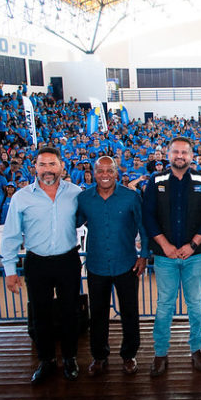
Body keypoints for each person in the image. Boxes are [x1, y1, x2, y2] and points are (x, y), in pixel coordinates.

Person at [1, 146, 83, 384]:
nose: (48, 170)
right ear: (35, 168)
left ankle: (70, 358)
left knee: (70, 312)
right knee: (40, 314)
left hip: (68, 260)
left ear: (62, 167)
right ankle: (46, 360)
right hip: (36, 262)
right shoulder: (21, 197)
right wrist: (9, 271)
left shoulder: (76, 193)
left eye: (52, 164)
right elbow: (11, 236)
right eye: (43, 165)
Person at [142, 137, 201, 376]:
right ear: (168, 153)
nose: (180, 156)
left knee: (195, 304)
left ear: (192, 156)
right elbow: (148, 216)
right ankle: (160, 353)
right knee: (164, 305)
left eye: (185, 152)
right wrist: (164, 245)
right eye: (176, 152)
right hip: (165, 256)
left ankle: (197, 349)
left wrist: (193, 245)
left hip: (194, 255)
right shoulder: (156, 180)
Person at [77, 156, 148, 377]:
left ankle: (129, 355)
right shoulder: (84, 198)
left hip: (126, 263)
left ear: (117, 173)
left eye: (110, 170)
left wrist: (143, 256)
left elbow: (143, 228)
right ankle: (99, 356)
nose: (105, 175)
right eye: (100, 171)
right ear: (93, 173)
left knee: (129, 312)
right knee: (97, 314)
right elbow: (73, 223)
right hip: (97, 265)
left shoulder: (131, 197)